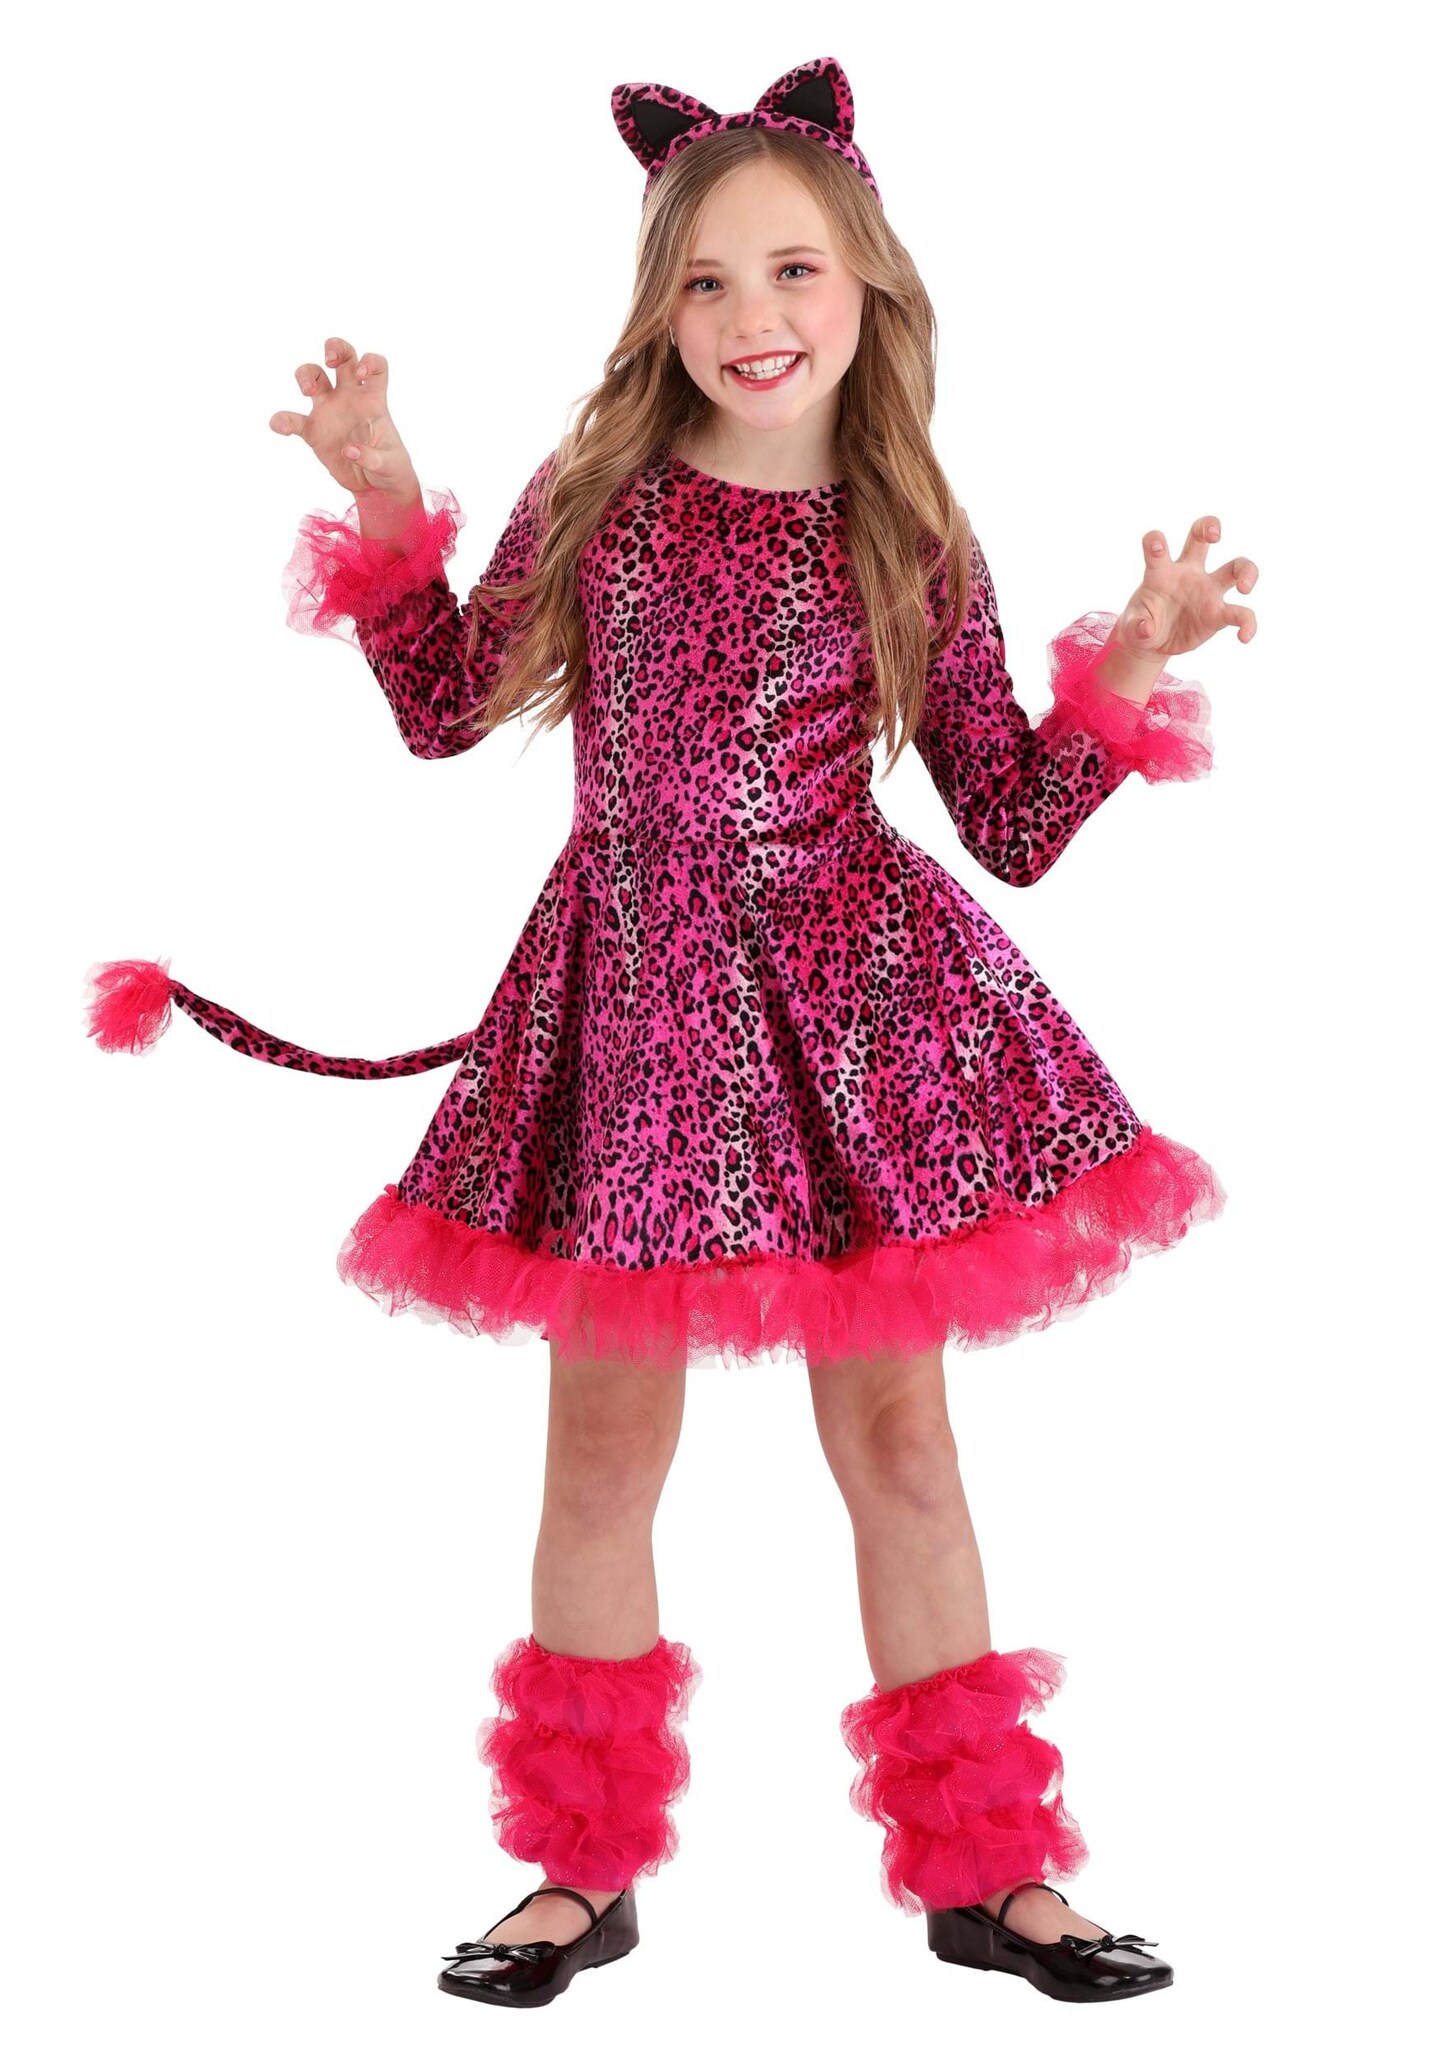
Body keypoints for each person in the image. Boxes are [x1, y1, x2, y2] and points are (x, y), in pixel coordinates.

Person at [83, 56, 1257, 2009]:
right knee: (602, 1446)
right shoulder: (602, 495)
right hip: (634, 1017)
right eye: (705, 280)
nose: (751, 316)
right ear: (659, 307)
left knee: (902, 1439)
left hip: (853, 1027)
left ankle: (990, 1875)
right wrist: (385, 498)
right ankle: (579, 1873)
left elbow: (1011, 820)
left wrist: (1127, 668)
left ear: (869, 287)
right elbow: (448, 707)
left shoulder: (910, 531)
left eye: (793, 271)